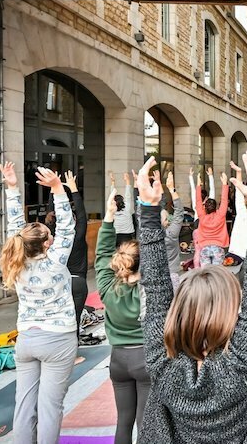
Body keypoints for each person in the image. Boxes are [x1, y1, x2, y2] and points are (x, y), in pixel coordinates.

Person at [137, 152, 247, 442]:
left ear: (177, 313)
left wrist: (149, 211)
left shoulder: (162, 363)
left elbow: (154, 293)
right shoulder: (245, 360)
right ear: (232, 312)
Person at [0, 161, 77, 444]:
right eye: (49, 236)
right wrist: (58, 188)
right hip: (58, 339)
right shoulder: (55, 261)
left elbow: (13, 229)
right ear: (46, 244)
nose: (53, 236)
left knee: (23, 404)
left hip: (27, 339)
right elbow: (68, 227)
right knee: (50, 407)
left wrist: (12, 187)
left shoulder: (15, 262)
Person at [94, 187, 150, 444]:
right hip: (145, 358)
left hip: (118, 360)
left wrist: (109, 216)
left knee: (123, 420)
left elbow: (102, 254)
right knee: (145, 421)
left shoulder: (106, 286)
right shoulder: (149, 291)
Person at [61, 171, 89, 334]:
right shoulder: (77, 236)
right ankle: (74, 352)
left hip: (61, 282)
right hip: (78, 281)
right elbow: (82, 216)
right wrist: (74, 189)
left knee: (62, 319)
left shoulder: (56, 241)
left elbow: (52, 216)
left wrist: (54, 191)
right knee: (75, 320)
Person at [193, 167, 229, 268]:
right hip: (218, 247)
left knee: (206, 274)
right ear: (216, 207)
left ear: (205, 207)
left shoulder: (202, 216)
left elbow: (198, 201)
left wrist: (198, 186)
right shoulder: (221, 215)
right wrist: (224, 184)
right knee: (217, 274)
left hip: (204, 247)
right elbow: (225, 200)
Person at [111, 171, 136, 245]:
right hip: (128, 235)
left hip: (116, 235)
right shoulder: (127, 207)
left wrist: (112, 182)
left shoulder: (113, 210)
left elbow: (111, 196)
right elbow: (128, 194)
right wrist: (127, 180)